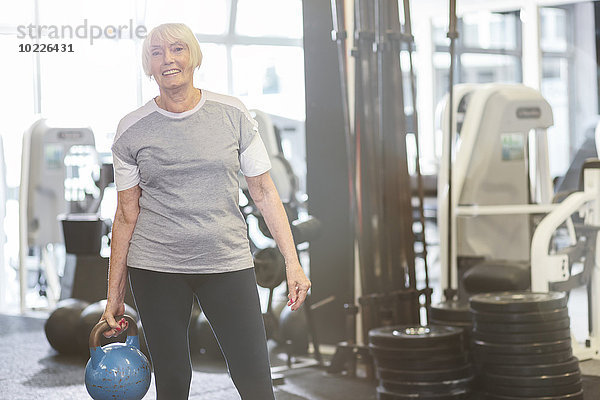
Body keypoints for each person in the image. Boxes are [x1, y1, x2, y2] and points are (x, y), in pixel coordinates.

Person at [101, 22, 311, 400]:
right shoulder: (130, 129)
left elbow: (264, 192)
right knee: (174, 381)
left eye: (177, 49)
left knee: (254, 380)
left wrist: (292, 262)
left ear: (194, 56)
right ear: (148, 66)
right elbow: (125, 214)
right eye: (156, 53)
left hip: (226, 261)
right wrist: (113, 294)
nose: (168, 59)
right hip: (157, 266)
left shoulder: (232, 113)